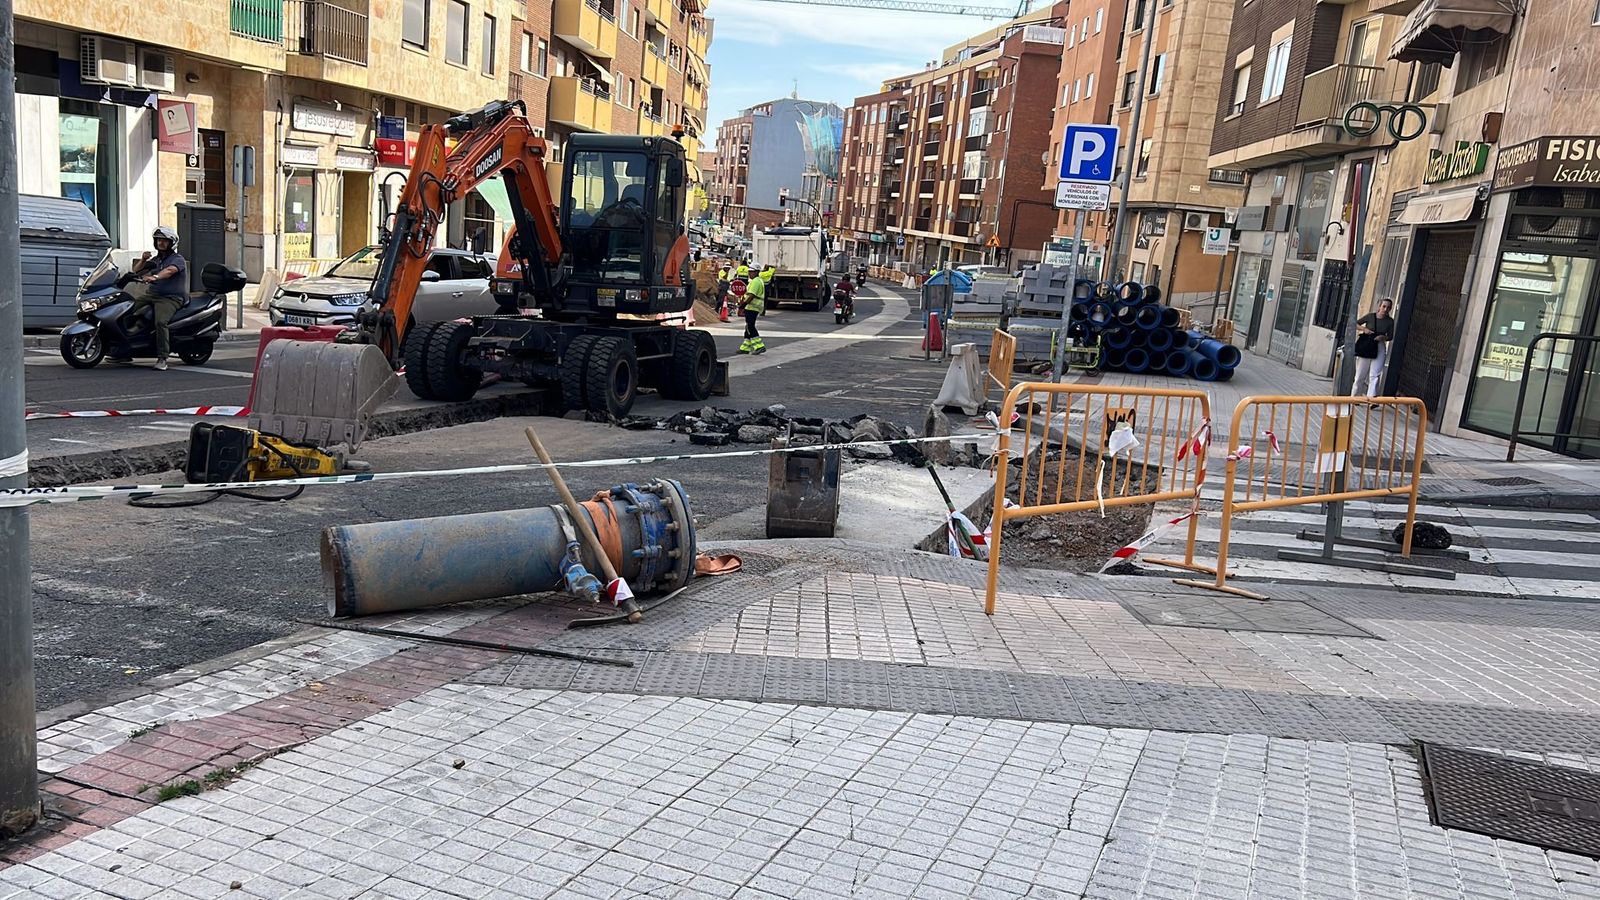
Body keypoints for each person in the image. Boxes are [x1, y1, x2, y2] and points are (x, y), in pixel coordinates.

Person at [112, 226, 188, 370]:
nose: (161, 243)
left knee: (160, 322)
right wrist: (143, 259)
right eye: (159, 240)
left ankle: (162, 357)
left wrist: (155, 277)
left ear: (171, 243)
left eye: (164, 241)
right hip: (152, 295)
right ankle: (123, 350)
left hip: (171, 298)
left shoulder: (178, 259)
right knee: (126, 309)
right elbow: (137, 270)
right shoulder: (156, 259)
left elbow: (170, 271)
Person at [1352, 298, 1395, 398]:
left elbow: (1391, 336)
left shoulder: (1390, 321)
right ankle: (1355, 397)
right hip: (1367, 344)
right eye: (1384, 306)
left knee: (1375, 374)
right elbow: (1355, 323)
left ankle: (1371, 399)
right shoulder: (1370, 316)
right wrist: (1364, 329)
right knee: (1360, 374)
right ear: (1379, 306)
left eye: (1388, 307)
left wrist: (1383, 337)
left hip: (1379, 345)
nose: (1385, 309)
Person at [738, 265, 767, 355]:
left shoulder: (756, 282)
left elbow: (751, 295)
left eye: (752, 271)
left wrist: (743, 305)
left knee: (750, 326)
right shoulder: (757, 281)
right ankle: (745, 347)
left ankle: (759, 346)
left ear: (757, 272)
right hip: (753, 307)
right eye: (749, 271)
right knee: (748, 326)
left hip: (752, 307)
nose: (750, 273)